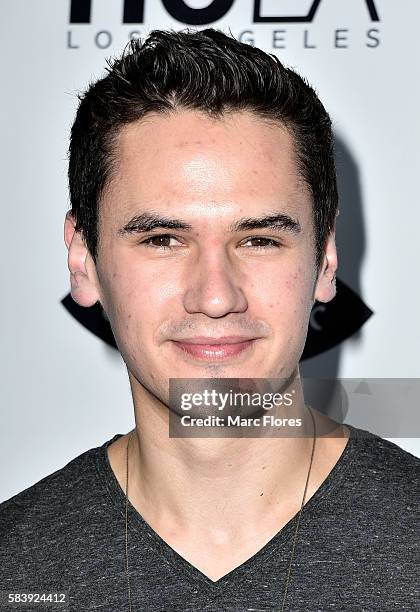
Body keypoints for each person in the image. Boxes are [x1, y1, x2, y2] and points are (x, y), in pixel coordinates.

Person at [0, 28, 418, 612]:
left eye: (260, 240)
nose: (216, 297)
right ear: (83, 261)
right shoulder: (14, 563)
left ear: (325, 260)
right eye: (164, 239)